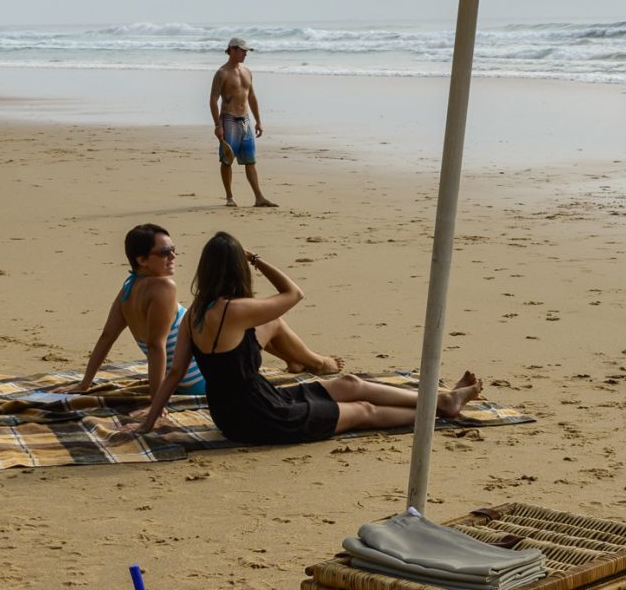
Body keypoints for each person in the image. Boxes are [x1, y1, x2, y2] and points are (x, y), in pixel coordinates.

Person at [123, 233, 483, 444]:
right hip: (260, 416)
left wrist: (150, 419)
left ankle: (442, 399)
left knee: (348, 383)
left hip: (236, 410)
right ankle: (440, 410)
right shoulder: (236, 309)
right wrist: (258, 260)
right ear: (236, 269)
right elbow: (294, 293)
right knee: (362, 411)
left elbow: (173, 375)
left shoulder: (197, 311)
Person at [76, 223, 339, 404]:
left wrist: (85, 384)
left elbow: (108, 335)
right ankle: (318, 363)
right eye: (165, 252)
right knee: (270, 319)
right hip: (199, 379)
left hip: (182, 378)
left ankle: (295, 361)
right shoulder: (164, 288)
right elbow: (156, 347)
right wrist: (157, 403)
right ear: (142, 259)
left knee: (241, 323)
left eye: (174, 249)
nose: (173, 257)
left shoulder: (129, 286)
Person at [211, 38, 274, 208]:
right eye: (242, 50)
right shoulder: (222, 73)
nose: (246, 53)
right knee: (227, 160)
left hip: (246, 120)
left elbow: (251, 96)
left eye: (246, 51)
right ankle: (230, 197)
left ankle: (259, 197)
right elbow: (213, 99)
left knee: (250, 161)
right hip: (229, 119)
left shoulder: (247, 71)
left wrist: (258, 121)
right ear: (232, 50)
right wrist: (218, 125)